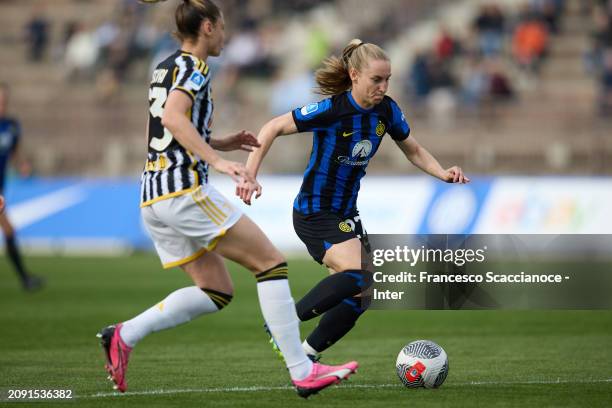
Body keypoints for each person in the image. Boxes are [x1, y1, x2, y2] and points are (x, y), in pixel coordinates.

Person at [98, 0, 357, 398]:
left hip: (153, 195)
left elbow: (168, 130)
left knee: (216, 289)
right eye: (221, 27)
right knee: (271, 264)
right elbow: (173, 119)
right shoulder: (194, 67)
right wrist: (218, 160)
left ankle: (124, 335)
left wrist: (222, 141)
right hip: (183, 189)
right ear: (206, 27)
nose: (225, 34)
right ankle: (302, 369)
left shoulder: (165, 65)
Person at [240, 39, 469, 361]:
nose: (383, 86)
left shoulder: (387, 110)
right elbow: (273, 126)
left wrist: (442, 172)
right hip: (315, 212)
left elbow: (413, 149)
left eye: (387, 79)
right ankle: (284, 321)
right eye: (377, 79)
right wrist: (250, 173)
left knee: (364, 292)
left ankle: (307, 356)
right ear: (355, 75)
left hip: (346, 214)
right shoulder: (333, 109)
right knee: (359, 273)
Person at [0, 84, 43, 292]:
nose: (2, 104)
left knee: (9, 230)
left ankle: (25, 278)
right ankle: (25, 278)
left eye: (4, 101)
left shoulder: (11, 125)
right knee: (8, 229)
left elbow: (15, 151)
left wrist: (22, 164)